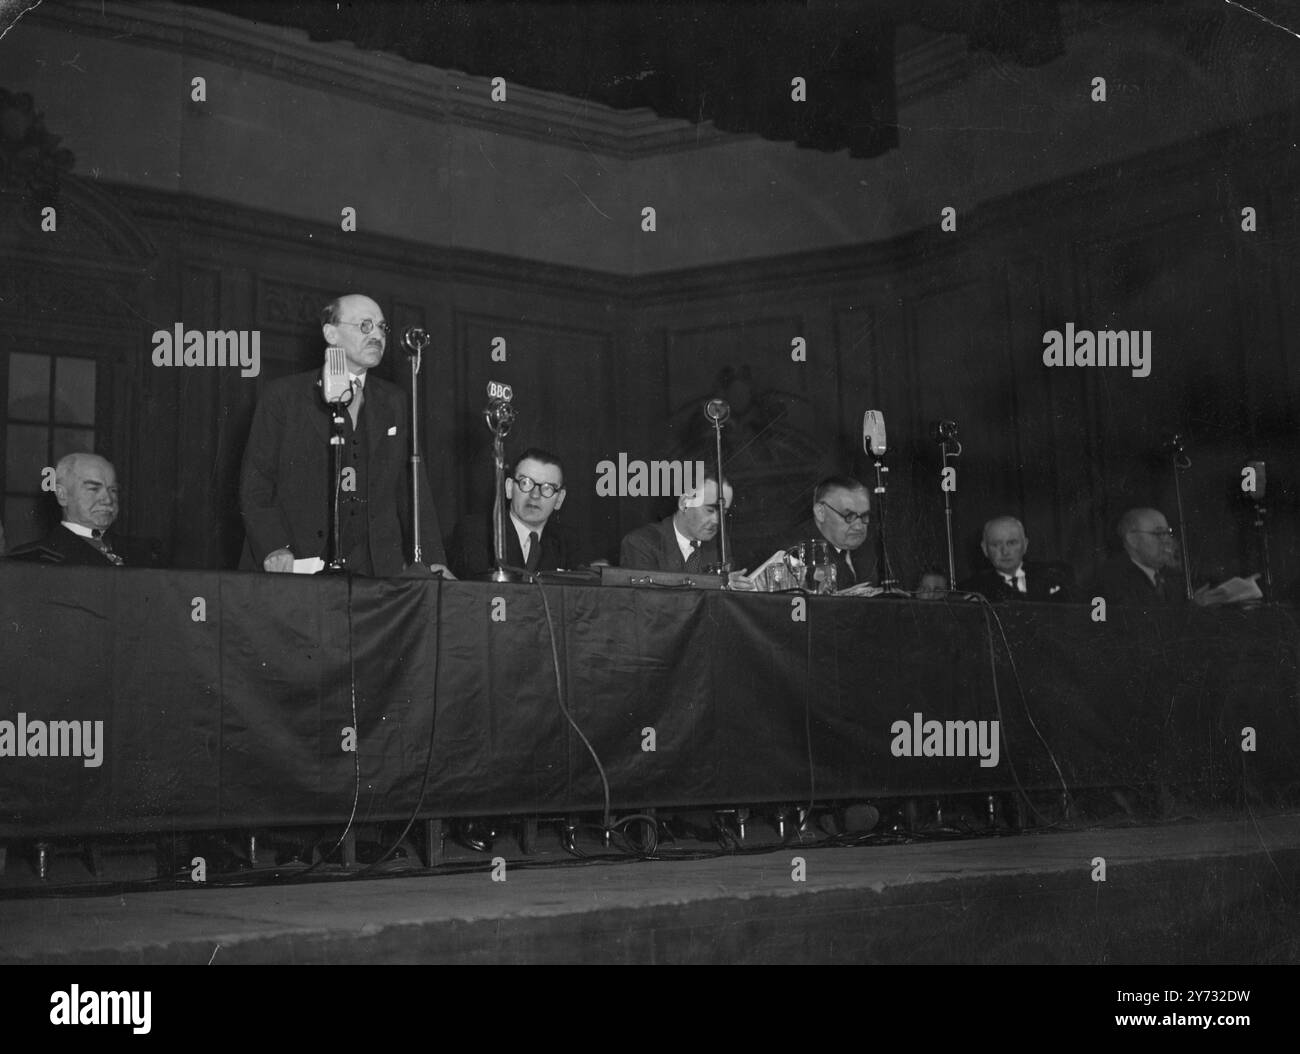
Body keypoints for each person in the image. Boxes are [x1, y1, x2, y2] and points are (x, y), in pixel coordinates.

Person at [238, 293, 452, 577]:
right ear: (331, 333)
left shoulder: (396, 401)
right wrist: (274, 547)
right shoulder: (283, 397)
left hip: (377, 573)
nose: (376, 334)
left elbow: (414, 489)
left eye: (381, 328)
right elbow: (256, 486)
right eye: (364, 325)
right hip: (296, 567)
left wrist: (433, 559)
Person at [6, 452, 160, 567]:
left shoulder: (145, 553)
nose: (108, 499)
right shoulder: (34, 558)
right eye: (93, 489)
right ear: (62, 495)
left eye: (113, 490)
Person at [450, 447, 582, 577]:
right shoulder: (476, 532)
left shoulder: (569, 544)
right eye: (526, 483)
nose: (535, 495)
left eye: (548, 488)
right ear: (509, 488)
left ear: (559, 499)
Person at [620, 470, 732, 572]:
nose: (717, 520)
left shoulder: (720, 544)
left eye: (723, 512)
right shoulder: (641, 543)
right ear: (684, 503)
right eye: (710, 510)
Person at [785, 475, 874, 590]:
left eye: (864, 516)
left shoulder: (872, 549)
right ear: (821, 512)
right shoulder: (793, 553)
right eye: (848, 515)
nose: (858, 526)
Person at [958, 516, 1074, 602]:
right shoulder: (972, 589)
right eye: (996, 545)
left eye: (1012, 543)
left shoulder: (1055, 576)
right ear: (985, 549)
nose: (1005, 551)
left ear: (1025, 545)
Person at [1094, 507, 1183, 604]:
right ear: (1133, 540)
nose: (1167, 540)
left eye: (1167, 533)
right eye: (1159, 533)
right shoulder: (1113, 581)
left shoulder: (1173, 576)